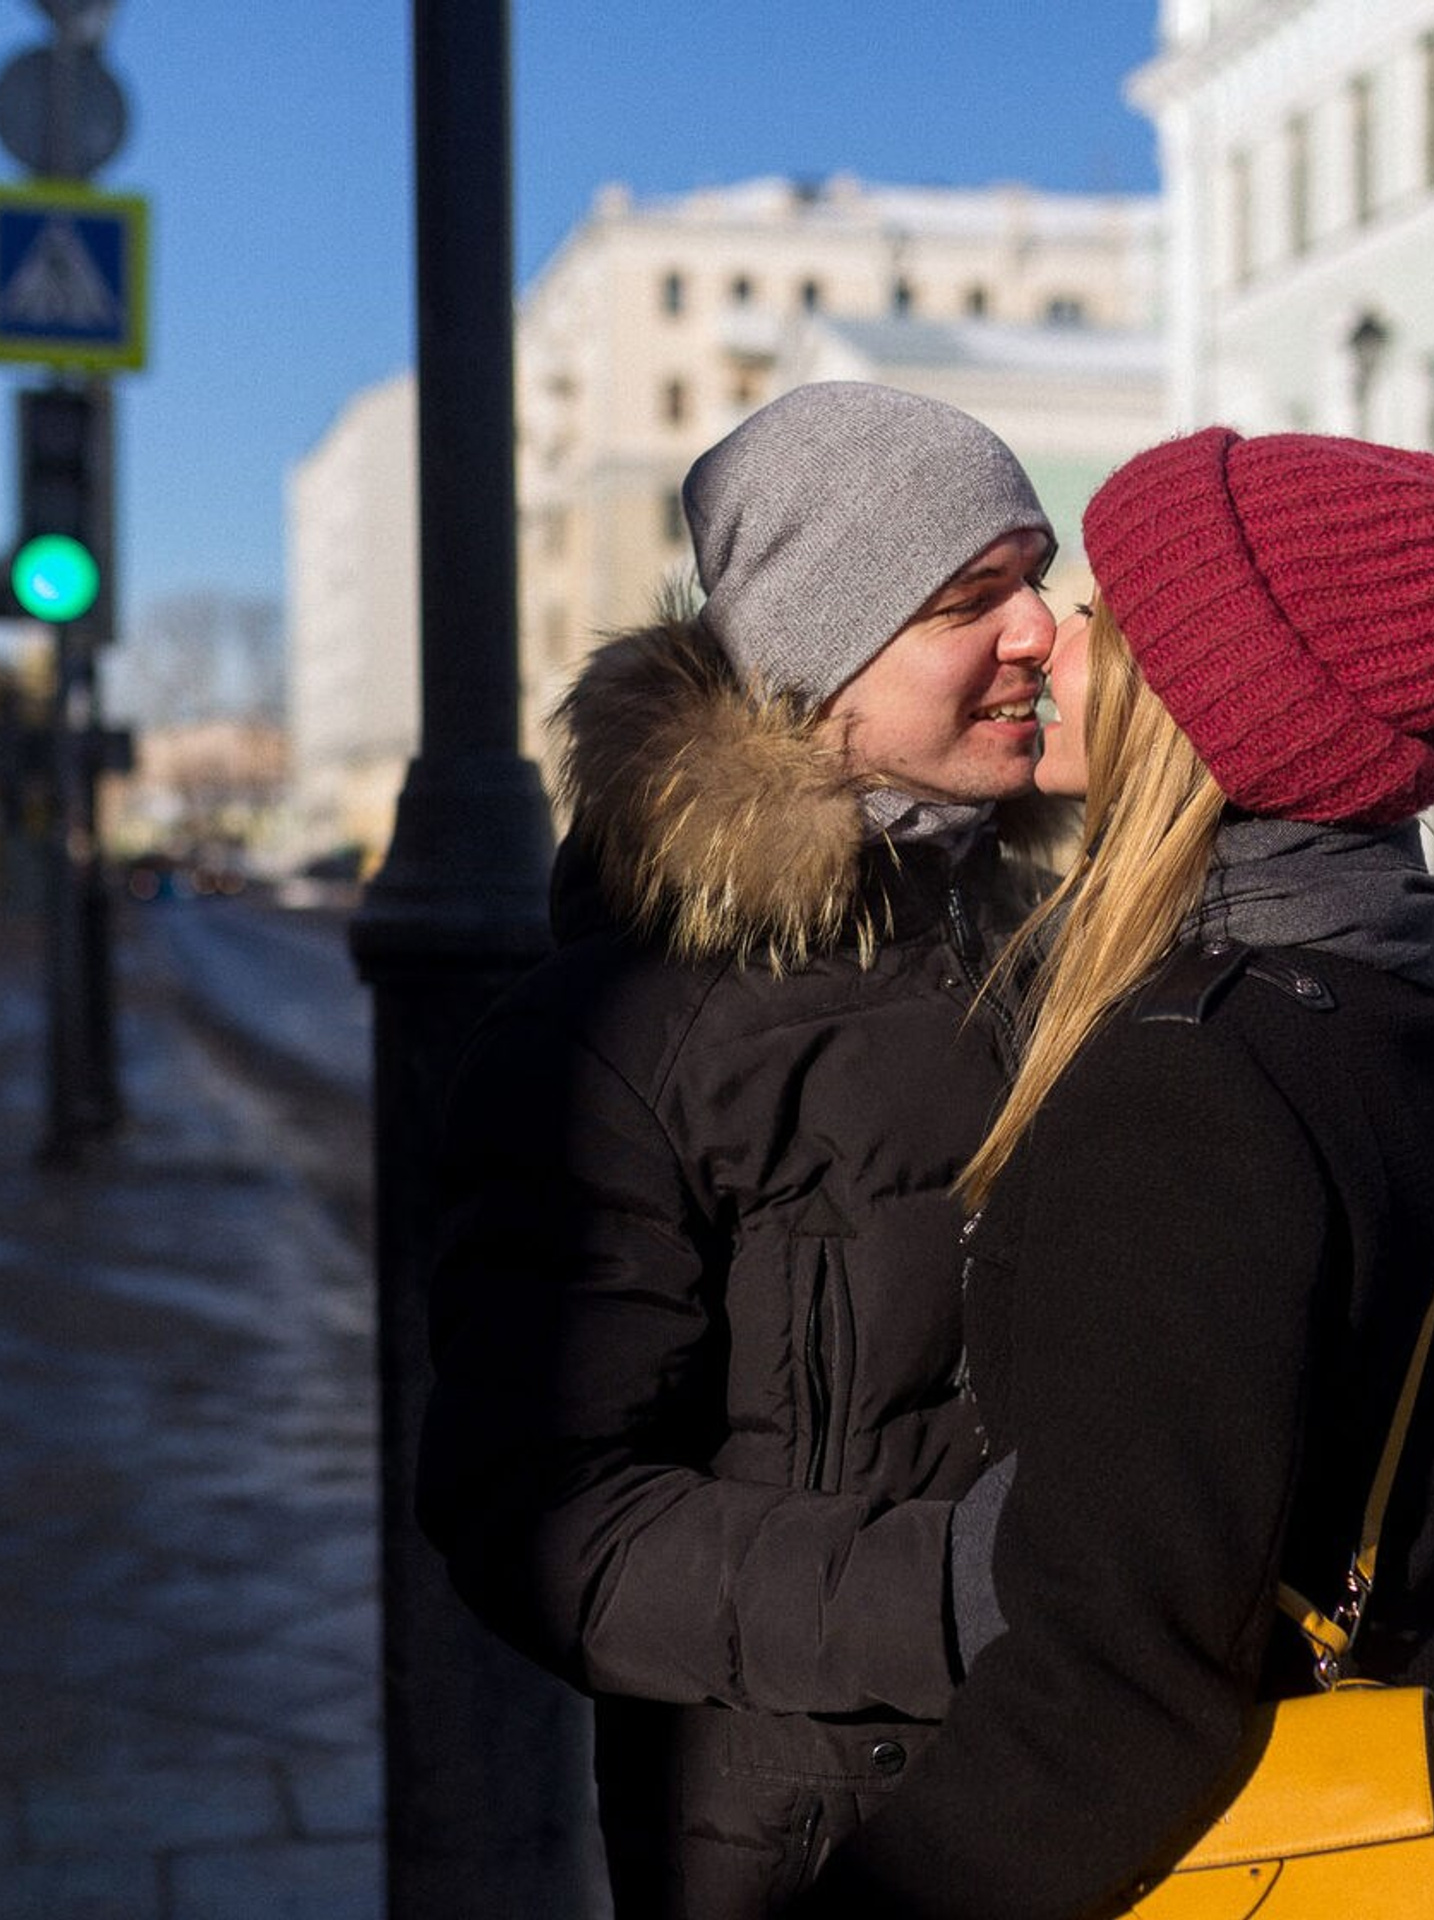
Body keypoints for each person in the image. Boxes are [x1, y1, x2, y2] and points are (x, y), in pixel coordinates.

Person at [793, 426, 1434, 1919]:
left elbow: (1113, 1690)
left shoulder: (1192, 1075)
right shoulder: (1400, 1018)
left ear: (1216, 698)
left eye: (1102, 612)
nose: (1048, 639)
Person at [419, 381, 1074, 1919]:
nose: (1042, 632)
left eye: (1037, 579)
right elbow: (540, 1522)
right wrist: (952, 1591)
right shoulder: (628, 1037)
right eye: (971, 598)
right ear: (816, 655)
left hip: (1106, 1785)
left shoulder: (1064, 940)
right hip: (832, 1854)